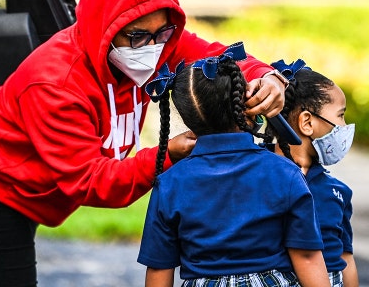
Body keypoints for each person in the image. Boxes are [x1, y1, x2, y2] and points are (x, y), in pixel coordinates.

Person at [0, 0, 289, 286]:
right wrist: (168, 155)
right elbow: (91, 181)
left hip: (29, 191)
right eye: (137, 36)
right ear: (104, 29)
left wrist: (268, 78)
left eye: (163, 33)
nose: (153, 48)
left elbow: (217, 56)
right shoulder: (55, 83)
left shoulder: (159, 44)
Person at [137, 44, 331, 287]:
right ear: (245, 104)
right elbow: (306, 256)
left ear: (188, 118)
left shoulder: (170, 183)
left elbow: (158, 269)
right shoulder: (285, 172)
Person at [267, 59, 359, 287]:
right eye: (340, 115)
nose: (344, 127)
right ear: (307, 122)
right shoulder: (259, 178)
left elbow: (345, 257)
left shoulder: (337, 192)